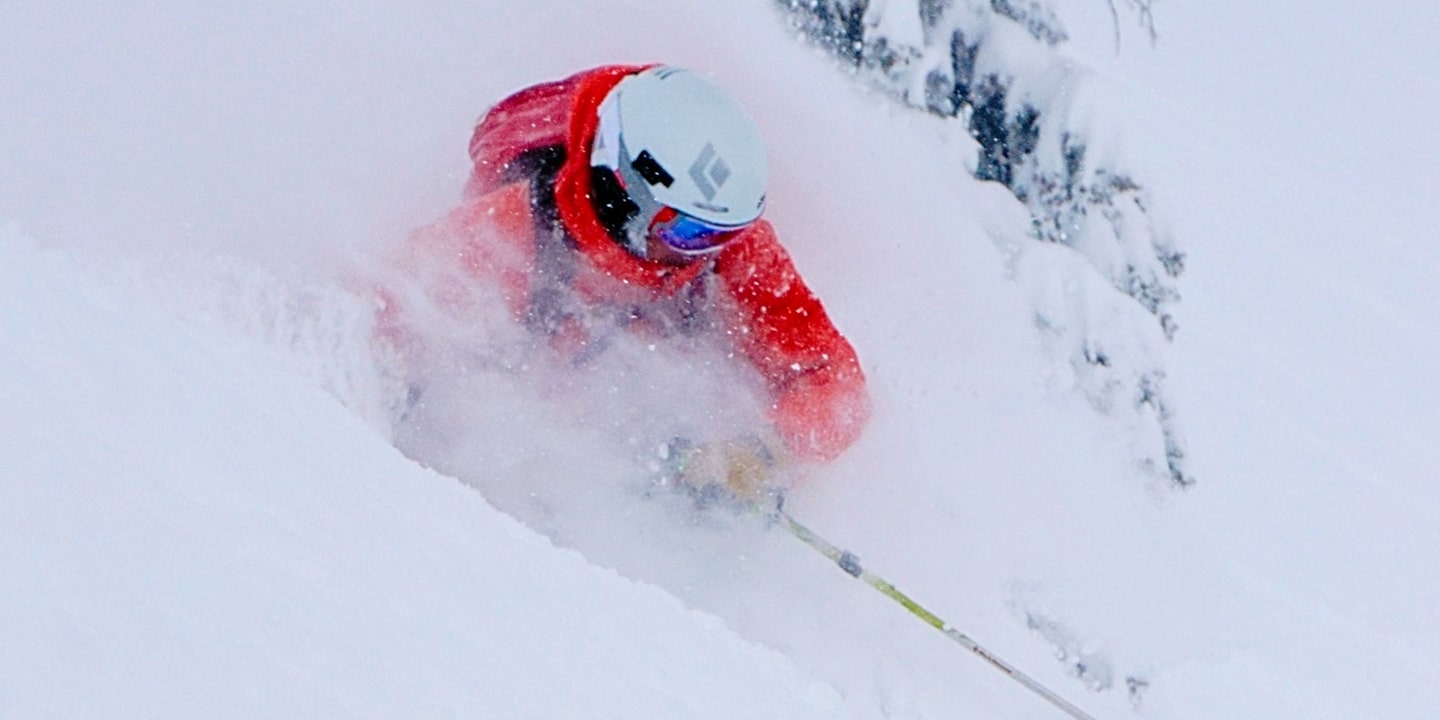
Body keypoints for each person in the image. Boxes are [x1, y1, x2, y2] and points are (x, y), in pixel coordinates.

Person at [379, 64, 868, 501]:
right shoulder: (513, 234)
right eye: (692, 234)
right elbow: (388, 312)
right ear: (628, 197)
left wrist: (763, 452)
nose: (707, 252)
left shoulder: (725, 247)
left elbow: (836, 381)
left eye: (722, 234)